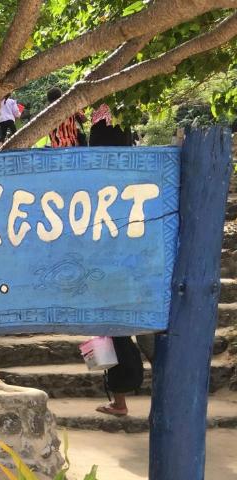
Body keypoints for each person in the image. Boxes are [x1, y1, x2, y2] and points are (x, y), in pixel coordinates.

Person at [87, 103, 145, 416]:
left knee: (112, 341)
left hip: (112, 276)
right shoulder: (131, 178)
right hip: (125, 274)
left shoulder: (98, 185)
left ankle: (119, 400)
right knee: (115, 339)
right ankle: (119, 399)